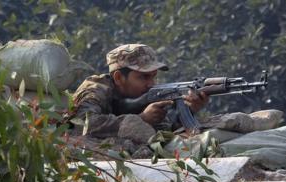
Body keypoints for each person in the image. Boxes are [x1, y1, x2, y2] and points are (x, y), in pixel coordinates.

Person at [65, 44, 209, 142]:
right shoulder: (95, 90)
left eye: (154, 76)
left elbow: (165, 130)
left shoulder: (144, 95)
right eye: (143, 76)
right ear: (119, 77)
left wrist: (190, 110)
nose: (151, 83)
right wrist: (141, 119)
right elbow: (84, 124)